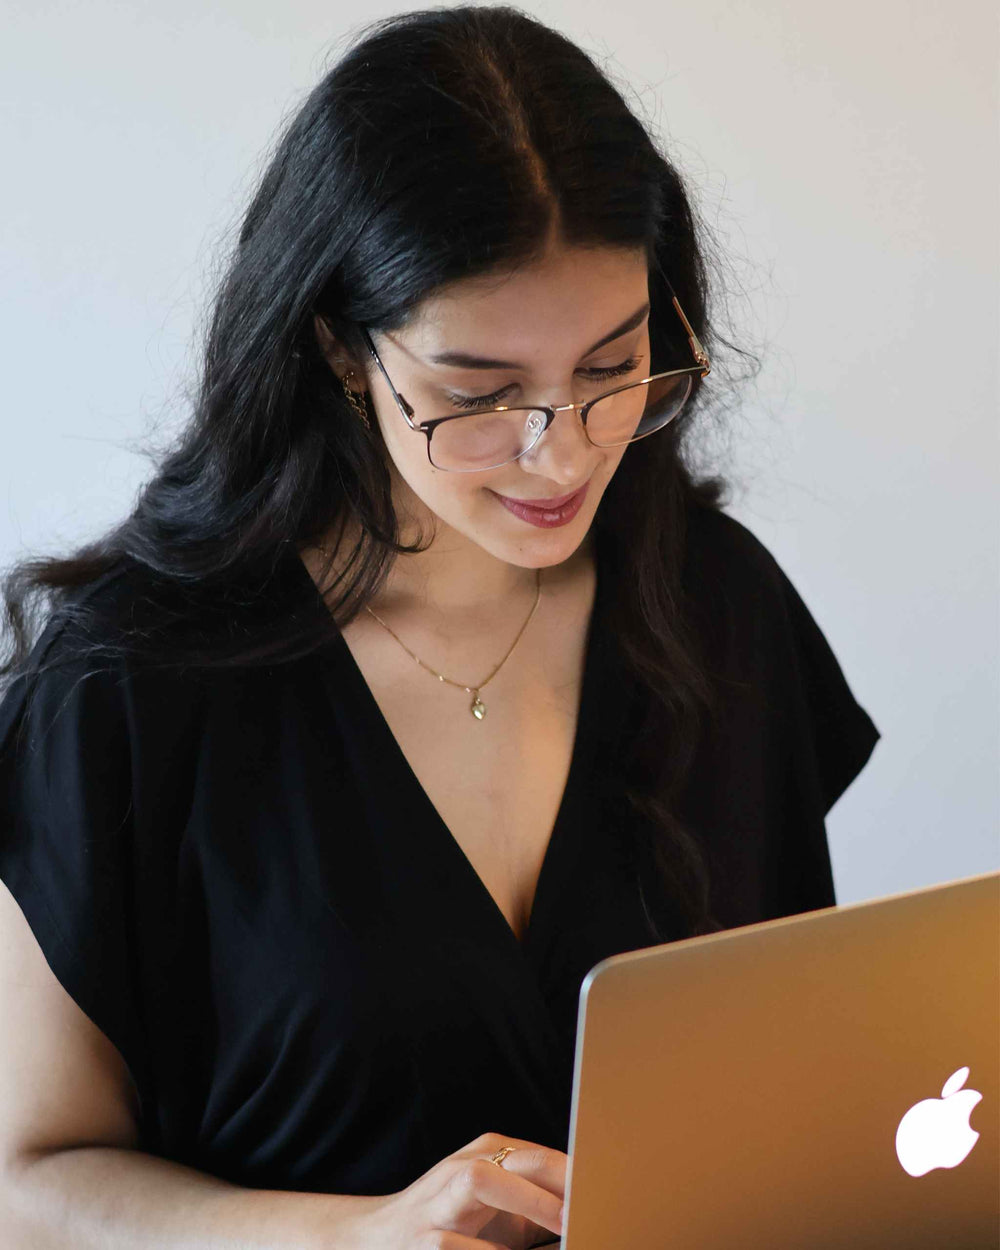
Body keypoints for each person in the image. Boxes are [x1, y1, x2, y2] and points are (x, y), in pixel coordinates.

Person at [0, 6, 880, 1248]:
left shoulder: (719, 605)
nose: (560, 453)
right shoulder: (131, 684)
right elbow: (27, 1181)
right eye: (479, 394)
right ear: (339, 350)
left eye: (611, 367)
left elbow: (797, 1075)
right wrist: (352, 1236)